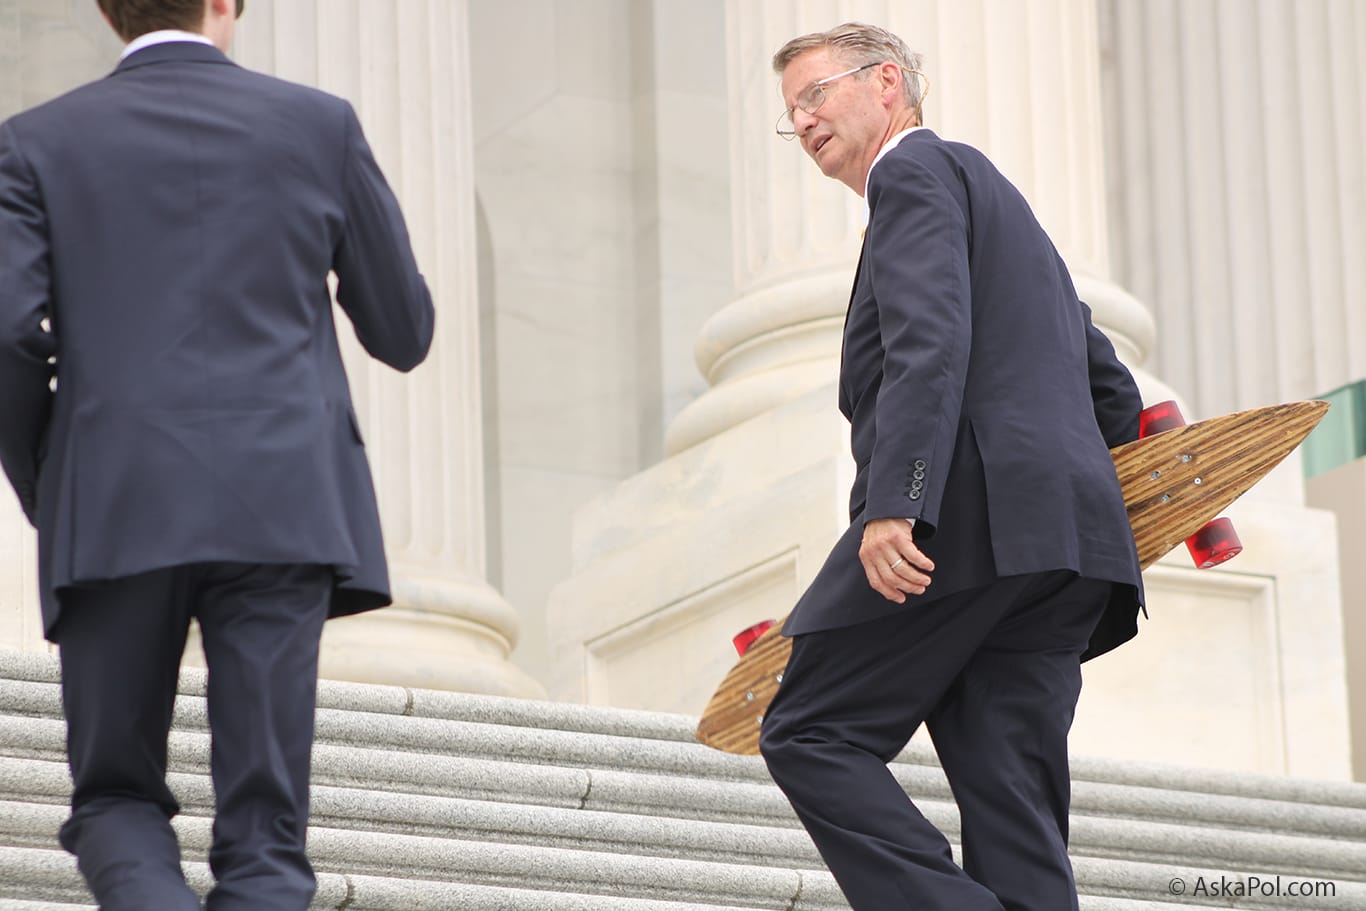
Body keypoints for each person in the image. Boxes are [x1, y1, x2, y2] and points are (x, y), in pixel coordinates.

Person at [0, 0, 434, 907]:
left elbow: (7, 335)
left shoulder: (36, 141)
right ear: (225, 4)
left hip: (114, 499)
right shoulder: (319, 125)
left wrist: (49, 474)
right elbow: (401, 331)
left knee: (115, 794)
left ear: (107, 12)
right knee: (267, 827)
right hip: (284, 503)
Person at [757, 22, 1144, 911]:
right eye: (790, 113)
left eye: (816, 94)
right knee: (1014, 802)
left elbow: (929, 343)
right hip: (1060, 545)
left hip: (966, 522)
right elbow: (1103, 372)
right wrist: (1136, 492)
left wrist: (900, 501)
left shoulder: (912, 173)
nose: (803, 121)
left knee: (809, 730)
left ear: (887, 83)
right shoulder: (995, 199)